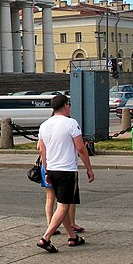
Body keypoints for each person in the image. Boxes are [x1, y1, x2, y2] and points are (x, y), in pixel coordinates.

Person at [35, 94, 93, 253]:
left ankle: (72, 236)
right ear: (66, 106)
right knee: (63, 205)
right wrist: (88, 167)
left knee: (62, 203)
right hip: (67, 169)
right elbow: (81, 148)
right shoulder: (71, 123)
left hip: (52, 169)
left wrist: (46, 170)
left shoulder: (44, 125)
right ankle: (45, 238)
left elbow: (42, 150)